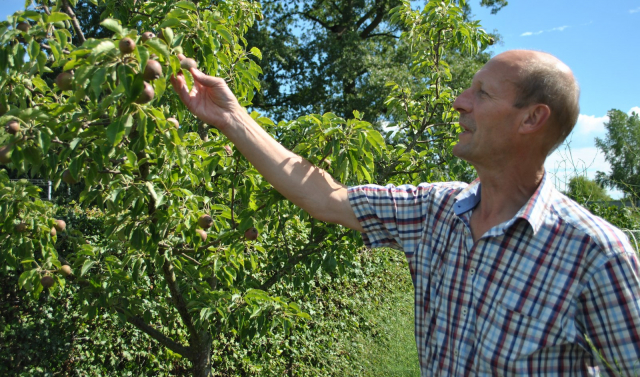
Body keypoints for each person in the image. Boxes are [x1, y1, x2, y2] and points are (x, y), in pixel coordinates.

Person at [171, 50, 640, 376]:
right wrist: (232, 118)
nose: (459, 102)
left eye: (483, 94)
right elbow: (326, 197)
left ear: (531, 119)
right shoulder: (436, 210)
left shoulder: (596, 253)